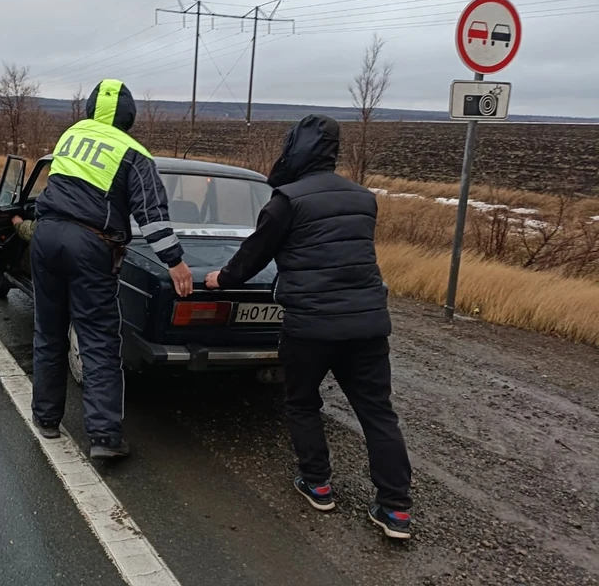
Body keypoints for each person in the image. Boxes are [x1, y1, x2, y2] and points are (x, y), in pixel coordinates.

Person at [204, 114, 413, 540]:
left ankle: (318, 485)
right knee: (378, 413)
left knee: (302, 403)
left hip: (311, 325)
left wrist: (219, 280)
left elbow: (253, 256)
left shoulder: (286, 200)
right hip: (369, 324)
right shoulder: (363, 198)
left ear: (294, 147)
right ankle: (396, 510)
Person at [31, 78, 193, 459]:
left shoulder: (71, 134)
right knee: (99, 339)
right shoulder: (134, 153)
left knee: (49, 331)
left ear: (90, 109)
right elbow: (152, 217)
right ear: (130, 115)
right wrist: (176, 262)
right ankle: (105, 438)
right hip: (90, 244)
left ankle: (46, 418)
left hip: (46, 234)